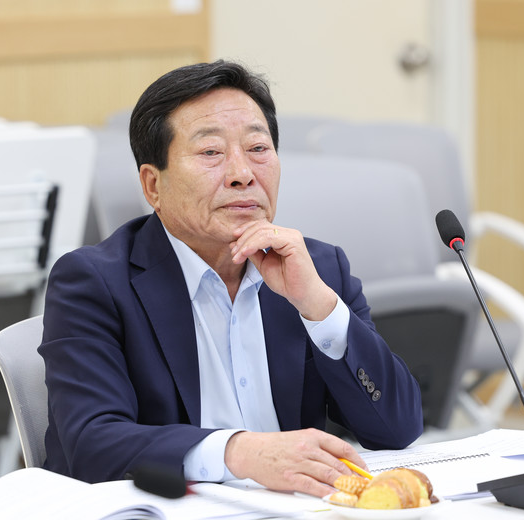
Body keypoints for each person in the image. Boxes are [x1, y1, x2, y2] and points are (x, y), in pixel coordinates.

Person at [38, 60, 423, 498]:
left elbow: (397, 428)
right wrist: (239, 452)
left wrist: (318, 307)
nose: (243, 174)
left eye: (258, 148)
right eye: (211, 153)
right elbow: (91, 445)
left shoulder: (317, 267)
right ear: (153, 186)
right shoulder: (95, 282)